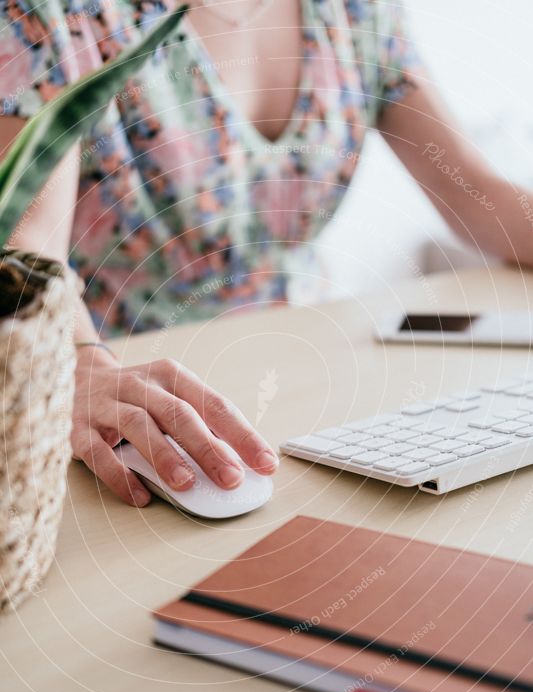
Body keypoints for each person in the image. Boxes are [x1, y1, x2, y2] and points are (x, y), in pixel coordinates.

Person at [2, 0, 533, 507]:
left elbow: (474, 192)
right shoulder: (54, 16)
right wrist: (78, 363)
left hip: (318, 377)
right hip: (126, 395)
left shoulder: (359, 10)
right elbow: (24, 242)